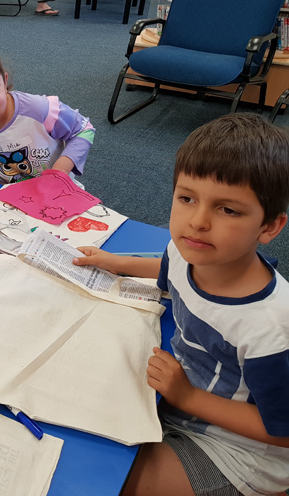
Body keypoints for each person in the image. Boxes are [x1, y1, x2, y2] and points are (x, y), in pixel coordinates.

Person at [73, 114, 289, 496]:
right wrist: (113, 262)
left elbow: (282, 432)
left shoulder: (270, 329)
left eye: (228, 210)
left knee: (111, 481)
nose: (198, 222)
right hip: (178, 399)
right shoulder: (188, 252)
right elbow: (168, 265)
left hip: (237, 451)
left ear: (269, 227)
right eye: (187, 198)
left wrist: (188, 397)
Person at [0, 43, 94, 185]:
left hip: (57, 193)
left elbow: (83, 130)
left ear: (5, 82)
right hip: (5, 201)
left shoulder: (40, 110)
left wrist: (60, 170)